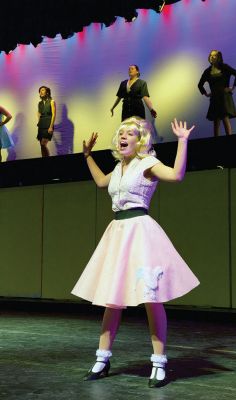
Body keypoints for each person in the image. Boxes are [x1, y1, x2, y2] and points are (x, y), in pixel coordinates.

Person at [71, 116, 200, 388]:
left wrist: (182, 141)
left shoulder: (148, 163)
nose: (123, 136)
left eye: (130, 133)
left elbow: (176, 175)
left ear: (139, 139)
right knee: (112, 298)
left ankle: (159, 362)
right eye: (121, 133)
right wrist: (87, 157)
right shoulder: (118, 168)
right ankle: (102, 359)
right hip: (117, 234)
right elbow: (100, 183)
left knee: (150, 297)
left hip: (140, 232)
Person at [198, 50, 236, 136]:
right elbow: (200, 85)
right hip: (214, 97)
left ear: (218, 57)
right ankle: (216, 143)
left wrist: (232, 88)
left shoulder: (225, 67)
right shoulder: (207, 71)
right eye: (211, 55)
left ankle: (229, 141)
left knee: (225, 117)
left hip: (224, 97)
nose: (212, 57)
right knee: (216, 120)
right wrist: (206, 93)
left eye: (214, 55)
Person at [37, 86, 56, 157]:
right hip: (41, 125)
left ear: (47, 92)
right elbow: (39, 114)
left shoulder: (52, 101)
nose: (40, 92)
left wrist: (51, 126)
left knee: (43, 144)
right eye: (40, 91)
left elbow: (54, 115)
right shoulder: (40, 103)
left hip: (48, 125)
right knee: (41, 146)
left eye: (42, 90)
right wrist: (39, 124)